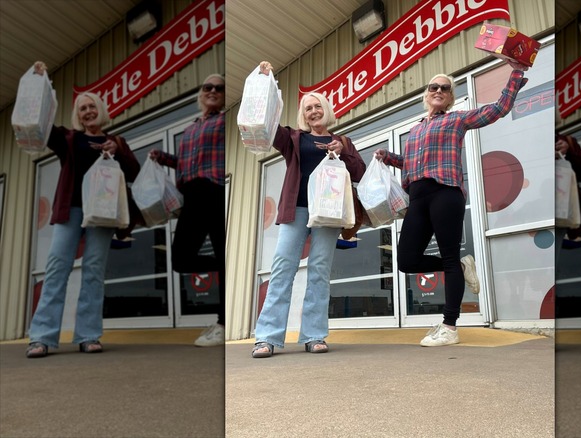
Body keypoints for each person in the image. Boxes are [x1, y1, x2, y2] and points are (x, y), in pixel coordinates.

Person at [374, 61, 529, 347]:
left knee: (446, 257)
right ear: (426, 94)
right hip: (417, 198)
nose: (439, 90)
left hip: (446, 193)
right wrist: (389, 157)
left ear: (450, 97)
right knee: (407, 261)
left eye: (445, 88)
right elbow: (410, 164)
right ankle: (460, 265)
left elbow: (497, 110)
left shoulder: (456, 119)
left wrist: (516, 73)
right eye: (434, 86)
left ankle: (450, 326)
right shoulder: (415, 130)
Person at [26, 61, 141, 358]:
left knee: (93, 271)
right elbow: (41, 124)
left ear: (100, 110)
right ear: (77, 115)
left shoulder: (116, 142)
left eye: (92, 107)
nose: (88, 111)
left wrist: (118, 152)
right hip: (71, 210)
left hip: (103, 214)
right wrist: (39, 83)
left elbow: (134, 172)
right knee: (56, 269)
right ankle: (41, 337)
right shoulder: (68, 138)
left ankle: (88, 335)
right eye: (82, 108)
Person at [251, 61, 366, 358]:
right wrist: (264, 83)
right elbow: (267, 124)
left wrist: (342, 153)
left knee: (318, 271)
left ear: (326, 110)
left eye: (317, 106)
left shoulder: (343, 141)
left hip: (328, 212)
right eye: (308, 108)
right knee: (282, 269)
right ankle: (266, 337)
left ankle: (314, 335)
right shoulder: (293, 138)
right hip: (297, 209)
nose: (313, 111)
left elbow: (359, 172)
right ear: (303, 115)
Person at [150, 74, 226, 347]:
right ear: (201, 93)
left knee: (220, 251)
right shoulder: (192, 127)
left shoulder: (225, 119)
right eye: (208, 86)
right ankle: (222, 266)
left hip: (215, 190)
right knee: (181, 259)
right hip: (192, 196)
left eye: (220, 87)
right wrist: (163, 158)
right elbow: (185, 162)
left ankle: (223, 323)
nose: (214, 90)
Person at [554, 109, 581, 260]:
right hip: (532, 211)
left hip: (560, 210)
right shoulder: (529, 142)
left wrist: (569, 152)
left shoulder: (567, 141)